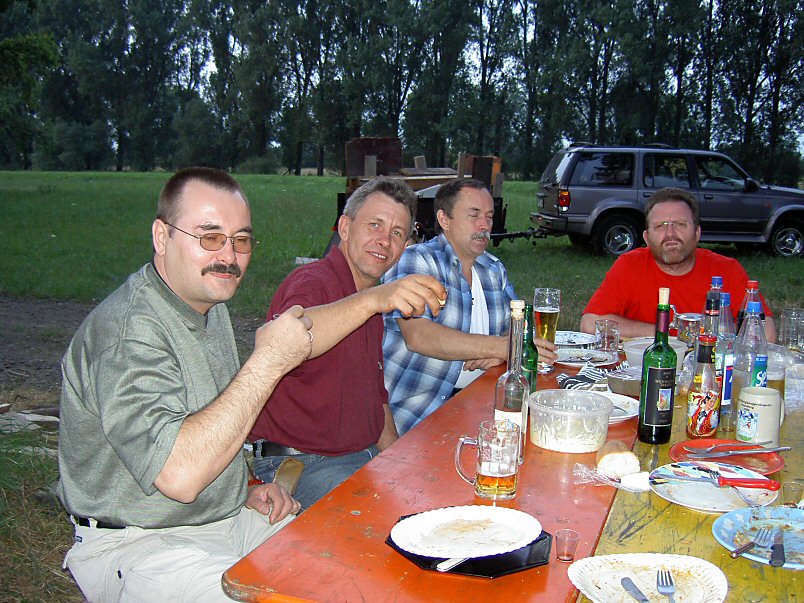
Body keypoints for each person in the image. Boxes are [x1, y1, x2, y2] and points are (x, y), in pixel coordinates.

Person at [57, 167, 314, 602]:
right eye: (210, 237)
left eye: (241, 240)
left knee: (333, 568)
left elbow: (212, 419)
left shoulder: (207, 304)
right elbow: (178, 475)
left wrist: (248, 488)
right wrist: (268, 362)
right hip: (139, 541)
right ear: (162, 237)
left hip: (222, 521)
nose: (229, 256)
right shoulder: (128, 333)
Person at [248, 177, 445, 509]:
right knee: (390, 518)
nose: (384, 240)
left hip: (359, 456)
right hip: (300, 463)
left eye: (397, 233)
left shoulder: (368, 303)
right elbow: (288, 340)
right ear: (345, 227)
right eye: (374, 225)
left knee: (437, 493)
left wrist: (399, 459)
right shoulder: (313, 282)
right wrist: (374, 300)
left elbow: (377, 399)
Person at [382, 178, 557, 435]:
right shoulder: (417, 261)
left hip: (482, 400)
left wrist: (502, 349)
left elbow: (519, 324)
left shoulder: (492, 268)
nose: (484, 225)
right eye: (474, 215)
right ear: (444, 219)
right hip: (420, 412)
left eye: (489, 216)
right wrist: (503, 347)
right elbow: (419, 336)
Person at [581, 187, 776, 341]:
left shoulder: (726, 269)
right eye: (660, 226)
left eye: (680, 224)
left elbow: (766, 333)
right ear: (647, 238)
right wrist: (666, 333)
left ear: (697, 233)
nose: (670, 234)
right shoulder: (630, 265)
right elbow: (590, 324)